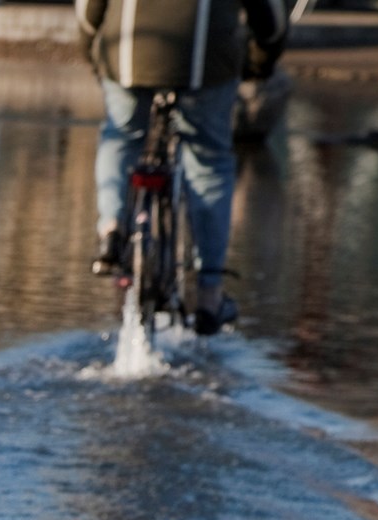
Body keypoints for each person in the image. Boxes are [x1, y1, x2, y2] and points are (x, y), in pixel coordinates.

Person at [78, 0, 287, 334]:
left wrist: (91, 48)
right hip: (206, 58)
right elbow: (270, 19)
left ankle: (112, 229)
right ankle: (209, 294)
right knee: (208, 160)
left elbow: (88, 9)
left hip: (128, 50)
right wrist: (262, 59)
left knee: (123, 136)